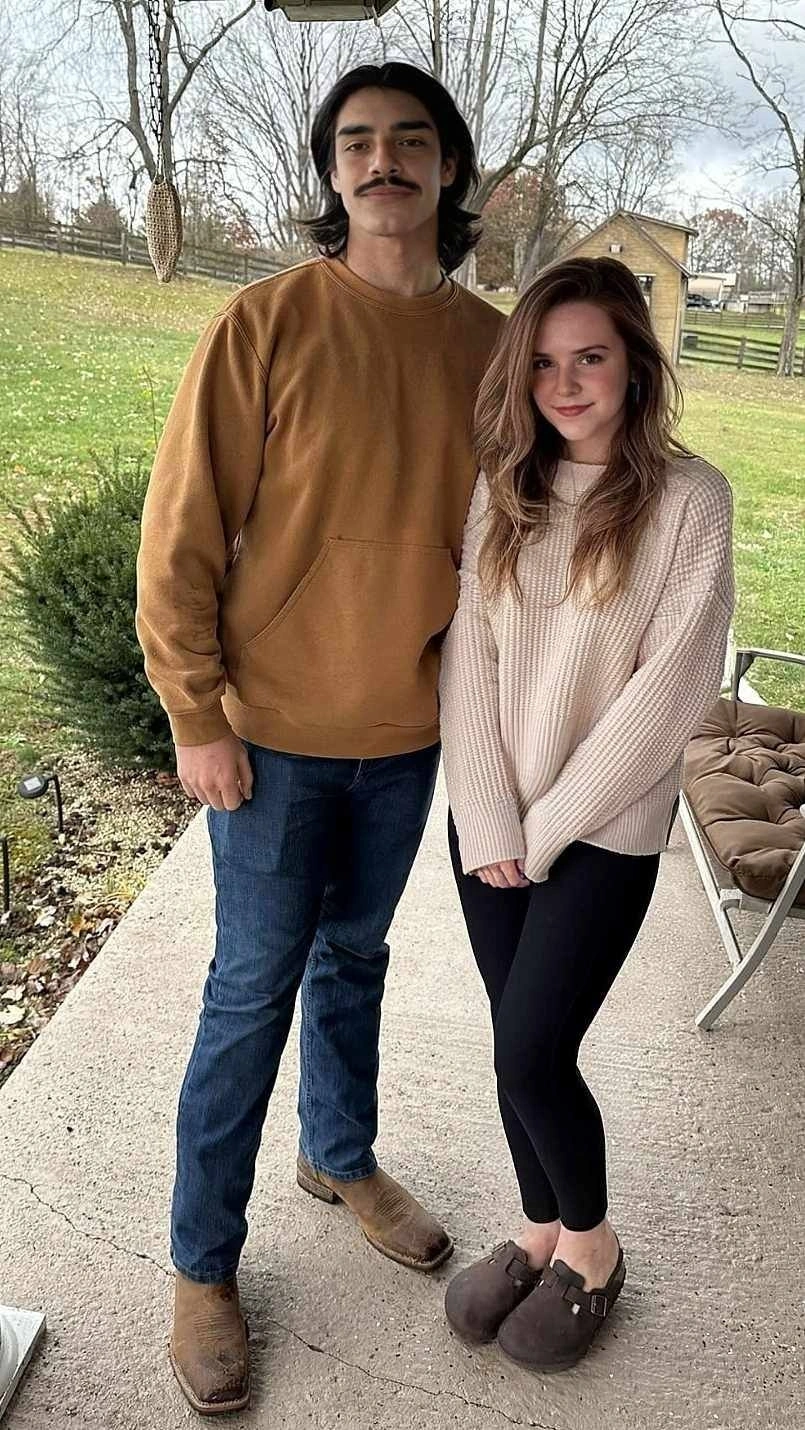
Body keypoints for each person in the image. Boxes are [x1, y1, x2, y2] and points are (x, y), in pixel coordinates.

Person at [136, 62, 503, 1416]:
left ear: (449, 167)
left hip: (405, 735)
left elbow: (518, 544)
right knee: (250, 991)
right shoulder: (265, 323)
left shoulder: (492, 347)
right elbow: (179, 533)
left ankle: (339, 1153)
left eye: (409, 139)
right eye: (355, 142)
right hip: (272, 738)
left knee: (356, 956)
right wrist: (197, 712)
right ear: (332, 172)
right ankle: (202, 1262)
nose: (382, 159)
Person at [439, 257, 734, 1373]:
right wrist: (486, 818)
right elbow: (468, 656)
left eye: (591, 357)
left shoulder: (689, 501)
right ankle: (538, 1228)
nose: (565, 384)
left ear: (635, 366)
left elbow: (669, 693)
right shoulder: (503, 486)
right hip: (489, 823)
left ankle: (595, 1248)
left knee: (532, 1050)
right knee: (508, 1039)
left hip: (601, 831)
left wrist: (547, 827)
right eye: (544, 362)